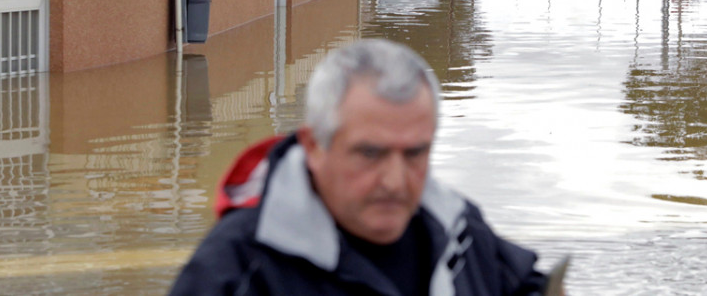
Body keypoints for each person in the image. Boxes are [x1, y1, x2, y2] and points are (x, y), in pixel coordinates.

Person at [169, 39, 548, 295]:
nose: (395, 181)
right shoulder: (238, 270)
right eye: (370, 154)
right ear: (315, 146)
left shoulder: (459, 229)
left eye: (415, 154)